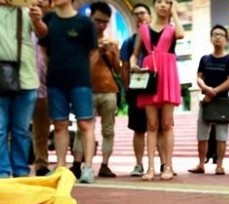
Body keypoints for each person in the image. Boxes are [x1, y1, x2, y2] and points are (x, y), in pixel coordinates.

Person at [39, 0, 98, 183]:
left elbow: (93, 52)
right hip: (55, 80)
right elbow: (44, 49)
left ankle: (87, 168)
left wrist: (83, 72)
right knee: (59, 125)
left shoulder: (85, 23)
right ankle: (60, 167)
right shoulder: (48, 19)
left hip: (80, 80)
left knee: (85, 124)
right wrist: (51, 69)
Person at [130, 0, 184, 181]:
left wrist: (175, 14)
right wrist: (133, 66)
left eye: (167, 2)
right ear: (154, 5)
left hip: (168, 74)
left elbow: (182, 34)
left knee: (167, 123)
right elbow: (135, 54)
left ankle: (168, 166)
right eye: (159, 1)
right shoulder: (143, 29)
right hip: (148, 75)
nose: (163, 5)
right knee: (151, 124)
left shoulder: (172, 29)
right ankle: (151, 167)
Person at [71, 1, 120, 179]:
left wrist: (111, 53)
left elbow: (117, 69)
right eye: (98, 20)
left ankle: (105, 165)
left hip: (109, 91)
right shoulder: (82, 41)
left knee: (108, 130)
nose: (101, 25)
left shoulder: (112, 42)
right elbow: (78, 65)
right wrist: (94, 52)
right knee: (82, 128)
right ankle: (77, 164)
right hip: (86, 90)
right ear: (90, 18)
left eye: (105, 22)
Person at [0, 0, 47, 178]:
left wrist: (37, 19)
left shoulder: (25, 8)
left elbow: (42, 33)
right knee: (0, 128)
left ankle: (21, 171)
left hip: (26, 77)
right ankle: (2, 173)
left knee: (21, 129)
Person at [120, 3, 166, 177]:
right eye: (136, 14)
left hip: (157, 88)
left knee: (160, 127)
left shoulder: (161, 38)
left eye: (143, 13)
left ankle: (163, 164)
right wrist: (127, 88)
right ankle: (139, 164)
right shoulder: (129, 41)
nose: (140, 17)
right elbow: (125, 66)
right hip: (137, 89)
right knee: (139, 129)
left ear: (150, 15)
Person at [188, 24, 229, 175]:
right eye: (215, 34)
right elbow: (199, 78)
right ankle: (201, 164)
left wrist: (213, 91)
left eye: (221, 35)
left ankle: (219, 165)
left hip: (222, 102)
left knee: (222, 136)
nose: (218, 37)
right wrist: (206, 89)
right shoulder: (205, 59)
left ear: (226, 40)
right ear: (210, 38)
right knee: (202, 134)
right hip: (206, 101)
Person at [31, 0, 51, 176]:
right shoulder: (22, 19)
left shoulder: (52, 23)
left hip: (44, 85)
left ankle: (41, 164)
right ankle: (14, 164)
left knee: (42, 130)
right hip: (19, 82)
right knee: (14, 129)